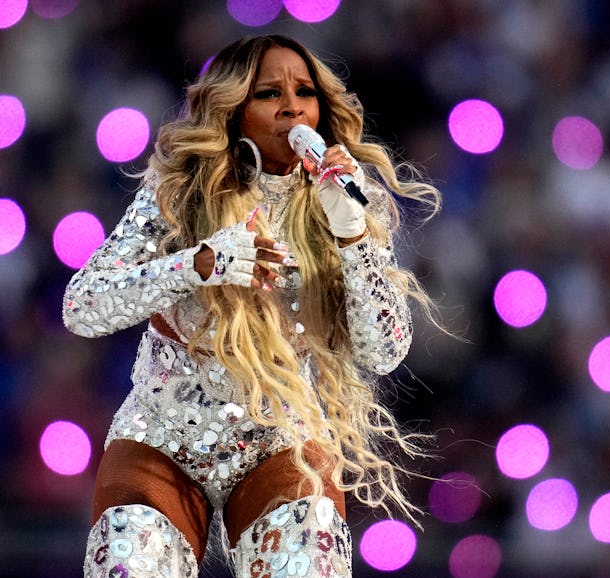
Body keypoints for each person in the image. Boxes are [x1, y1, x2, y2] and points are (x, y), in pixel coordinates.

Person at [63, 34, 440, 578]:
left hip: (279, 438)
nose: (292, 106)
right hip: (162, 438)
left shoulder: (347, 198)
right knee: (130, 561)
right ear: (234, 110)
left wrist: (354, 237)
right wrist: (199, 264)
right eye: (269, 93)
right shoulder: (178, 189)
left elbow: (384, 351)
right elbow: (82, 305)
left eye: (304, 92)